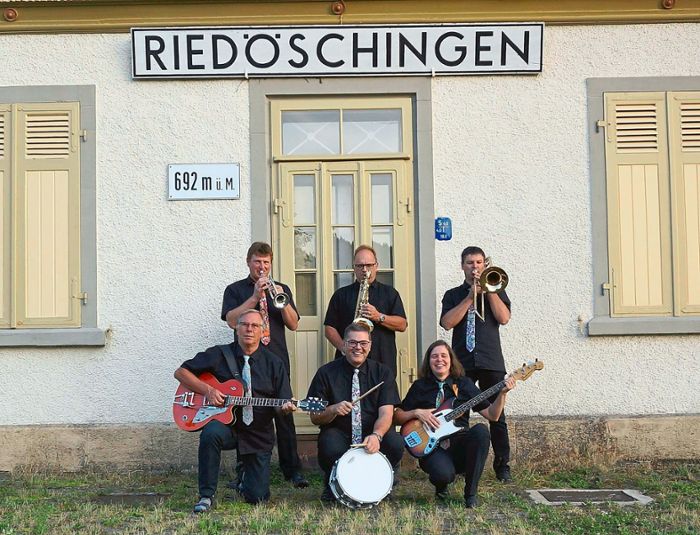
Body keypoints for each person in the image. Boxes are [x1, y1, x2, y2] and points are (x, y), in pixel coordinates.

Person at [174, 309, 296, 512]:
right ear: (236, 329)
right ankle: (206, 495)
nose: (249, 329)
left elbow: (282, 401)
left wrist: (285, 408)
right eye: (244, 325)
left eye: (255, 326)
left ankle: (244, 476)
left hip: (258, 433)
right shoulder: (219, 355)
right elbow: (181, 372)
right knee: (211, 433)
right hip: (227, 427)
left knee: (257, 497)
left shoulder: (275, 363)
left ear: (263, 331)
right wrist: (208, 390)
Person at [220, 242, 308, 488]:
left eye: (266, 262)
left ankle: (292, 470)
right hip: (245, 360)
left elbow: (294, 324)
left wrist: (281, 299)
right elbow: (231, 321)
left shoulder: (281, 289)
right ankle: (244, 470)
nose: (262, 267)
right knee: (245, 413)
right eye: (257, 262)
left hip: (276, 360)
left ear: (271, 264)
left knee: (284, 413)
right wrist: (254, 297)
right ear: (248, 262)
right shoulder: (235, 290)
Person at [394, 340, 515, 508]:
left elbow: (492, 416)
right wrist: (416, 413)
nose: (439, 360)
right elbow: (397, 416)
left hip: (460, 443)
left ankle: (470, 494)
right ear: (429, 361)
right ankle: (441, 483)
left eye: (444, 356)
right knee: (443, 475)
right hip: (432, 447)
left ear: (451, 360)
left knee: (481, 431)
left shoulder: (464, 384)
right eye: (434, 356)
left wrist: (502, 394)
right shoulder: (420, 386)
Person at [306, 322, 404, 502]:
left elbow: (386, 413)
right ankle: (333, 484)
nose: (358, 347)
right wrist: (333, 409)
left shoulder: (383, 373)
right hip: (341, 431)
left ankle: (383, 483)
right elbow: (315, 417)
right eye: (352, 342)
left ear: (370, 346)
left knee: (395, 442)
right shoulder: (326, 373)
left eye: (363, 343)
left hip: (371, 431)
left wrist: (377, 435)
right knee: (329, 444)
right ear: (343, 345)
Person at [440, 246, 513, 482]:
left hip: (491, 360)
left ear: (485, 265)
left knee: (497, 416)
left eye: (479, 263)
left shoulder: (497, 289)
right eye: (470, 263)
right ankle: (461, 464)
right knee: (459, 414)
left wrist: (489, 291)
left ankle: (502, 466)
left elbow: (504, 318)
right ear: (462, 266)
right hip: (462, 362)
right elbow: (447, 323)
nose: (475, 267)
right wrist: (469, 297)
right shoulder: (453, 295)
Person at [324, 245, 408, 377]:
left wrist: (379, 316)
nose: (364, 269)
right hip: (347, 362)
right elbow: (329, 328)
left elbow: (402, 325)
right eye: (360, 266)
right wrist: (344, 348)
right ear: (354, 268)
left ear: (376, 266)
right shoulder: (341, 295)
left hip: (383, 360)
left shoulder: (390, 293)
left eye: (369, 265)